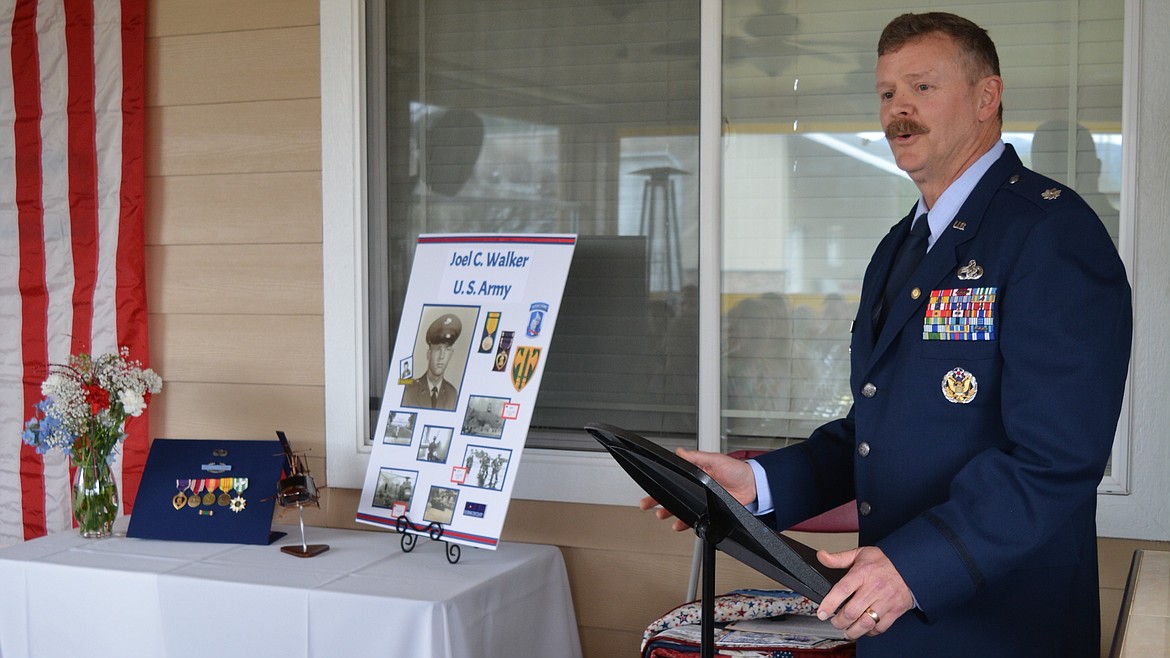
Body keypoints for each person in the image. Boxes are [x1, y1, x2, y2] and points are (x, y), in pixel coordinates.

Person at [642, 12, 1132, 656]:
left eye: (922, 87)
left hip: (1001, 621)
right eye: (886, 93)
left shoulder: (1050, 233)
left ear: (988, 97)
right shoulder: (901, 248)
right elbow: (875, 433)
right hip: (893, 616)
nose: (899, 108)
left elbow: (1057, 459)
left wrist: (917, 566)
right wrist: (756, 487)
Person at [401, 313, 462, 410]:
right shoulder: (409, 392)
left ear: (451, 354)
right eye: (438, 349)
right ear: (429, 354)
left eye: (446, 350)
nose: (442, 356)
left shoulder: (452, 395)